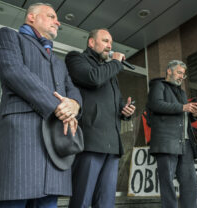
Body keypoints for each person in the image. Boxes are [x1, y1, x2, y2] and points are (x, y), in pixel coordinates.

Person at [0, 3, 82, 207]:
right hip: (23, 141)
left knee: (48, 202)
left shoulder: (58, 61)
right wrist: (60, 108)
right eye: (51, 16)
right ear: (32, 17)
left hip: (54, 145)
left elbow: (72, 88)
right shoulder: (8, 36)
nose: (57, 22)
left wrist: (74, 105)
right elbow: (14, 71)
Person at [65, 28, 135, 208]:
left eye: (110, 43)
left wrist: (125, 111)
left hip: (112, 143)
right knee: (82, 200)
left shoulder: (109, 70)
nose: (109, 46)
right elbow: (92, 78)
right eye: (105, 41)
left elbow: (116, 101)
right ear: (91, 42)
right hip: (90, 141)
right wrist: (115, 63)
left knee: (106, 202)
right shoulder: (76, 59)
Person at [147, 60, 197, 208]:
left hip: (185, 143)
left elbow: (183, 115)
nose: (181, 77)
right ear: (169, 71)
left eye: (183, 75)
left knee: (190, 182)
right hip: (166, 141)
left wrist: (195, 115)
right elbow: (155, 105)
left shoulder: (182, 92)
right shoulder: (158, 86)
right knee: (167, 182)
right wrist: (183, 107)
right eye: (179, 72)